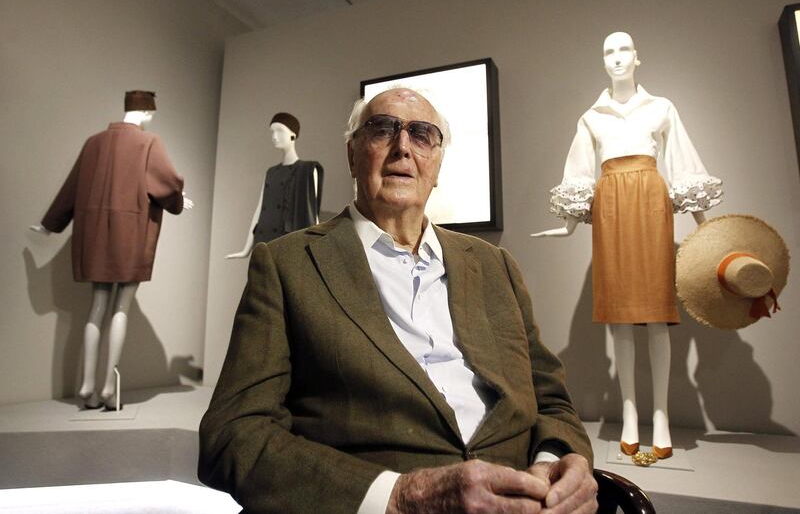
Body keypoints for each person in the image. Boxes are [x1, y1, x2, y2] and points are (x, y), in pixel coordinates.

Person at [199, 87, 597, 514]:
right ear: (353, 155)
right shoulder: (286, 265)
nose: (402, 147)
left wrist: (554, 463)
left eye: (422, 135)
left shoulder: (495, 265)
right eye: (382, 129)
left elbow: (552, 401)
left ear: (437, 164)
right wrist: (400, 497)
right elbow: (233, 433)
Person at [532, 32, 722, 458]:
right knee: (620, 318)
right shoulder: (591, 117)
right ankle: (632, 412)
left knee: (656, 315)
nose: (616, 58)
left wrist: (704, 225)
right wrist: (567, 227)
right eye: (608, 51)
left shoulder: (661, 107)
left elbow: (682, 164)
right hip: (611, 208)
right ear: (603, 62)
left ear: (638, 57)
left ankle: (662, 416)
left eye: (623, 50)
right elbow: (581, 172)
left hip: (652, 204)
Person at [30, 90, 193, 410]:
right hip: (129, 236)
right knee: (122, 307)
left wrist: (50, 225)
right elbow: (168, 184)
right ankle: (107, 387)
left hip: (94, 238)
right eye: (151, 114)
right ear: (146, 112)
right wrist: (178, 200)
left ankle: (87, 384)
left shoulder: (93, 142)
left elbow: (71, 188)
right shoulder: (148, 143)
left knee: (97, 306)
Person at [227, 112, 323, 259]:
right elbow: (260, 210)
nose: (274, 136)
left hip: (288, 246)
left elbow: (312, 215)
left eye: (279, 131)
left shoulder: (308, 170)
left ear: (293, 135)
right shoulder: (271, 172)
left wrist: (315, 251)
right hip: (263, 243)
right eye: (272, 131)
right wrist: (246, 249)